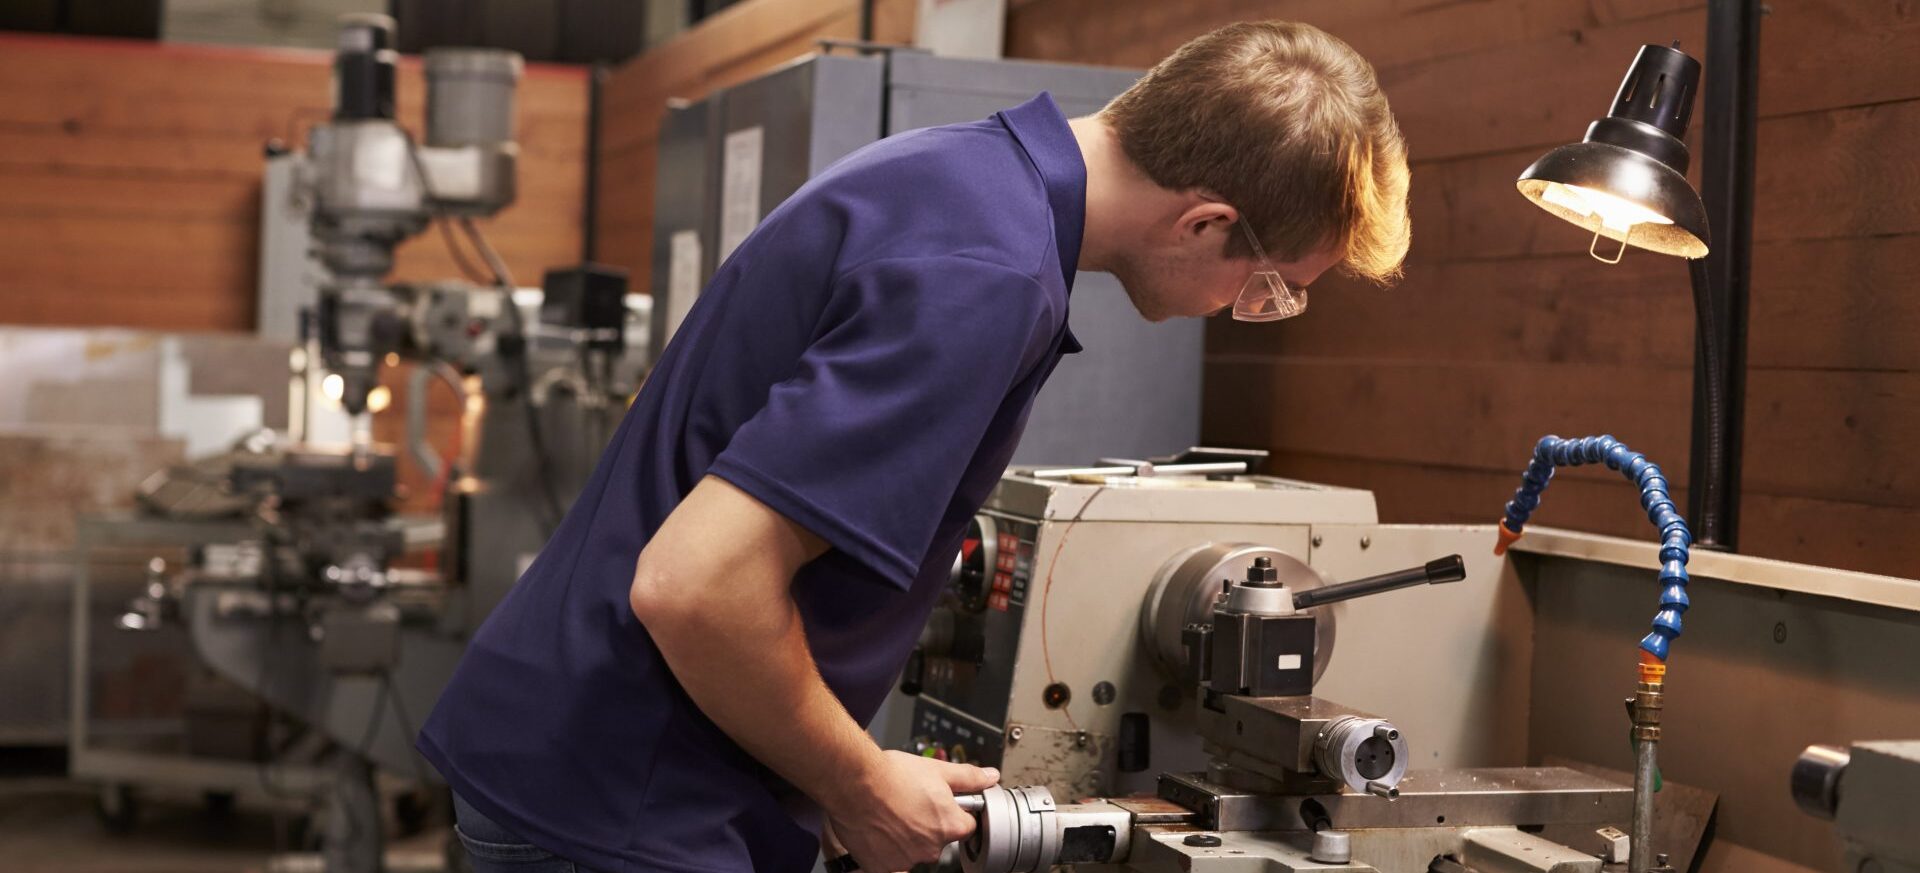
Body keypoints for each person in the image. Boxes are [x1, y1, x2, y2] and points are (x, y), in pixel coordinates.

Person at [417, 19, 1410, 873]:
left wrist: (841, 774)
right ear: (1206, 222)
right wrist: (859, 781)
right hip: (625, 798)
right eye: (1268, 287)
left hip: (600, 767)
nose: (1243, 313)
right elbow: (694, 585)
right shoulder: (987, 275)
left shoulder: (970, 177)